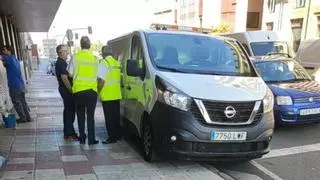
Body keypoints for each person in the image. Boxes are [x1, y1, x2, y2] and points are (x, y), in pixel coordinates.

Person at [68, 36, 99, 145]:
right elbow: (99, 75)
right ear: (89, 45)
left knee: (80, 115)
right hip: (92, 91)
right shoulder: (95, 59)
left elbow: (70, 74)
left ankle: (82, 138)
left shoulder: (75, 57)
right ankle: (91, 139)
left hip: (79, 91)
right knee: (91, 116)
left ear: (81, 45)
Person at [97, 46, 122, 144]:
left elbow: (102, 81)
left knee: (109, 118)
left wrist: (98, 90)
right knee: (116, 117)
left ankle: (112, 138)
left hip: (107, 95)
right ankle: (118, 135)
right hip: (116, 94)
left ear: (103, 53)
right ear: (111, 53)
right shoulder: (116, 63)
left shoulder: (104, 63)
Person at [1, 45, 31, 123]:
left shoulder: (8, 58)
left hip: (14, 85)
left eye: (4, 50)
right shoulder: (15, 58)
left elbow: (2, 59)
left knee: (16, 102)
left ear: (8, 51)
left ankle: (22, 118)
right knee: (22, 101)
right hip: (21, 84)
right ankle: (28, 117)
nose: (3, 51)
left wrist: (2, 58)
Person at [55, 44, 78, 140]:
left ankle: (68, 131)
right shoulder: (61, 63)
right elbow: (64, 78)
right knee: (70, 111)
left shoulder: (62, 62)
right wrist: (71, 90)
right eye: (65, 51)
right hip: (66, 90)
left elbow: (69, 75)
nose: (67, 52)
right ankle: (69, 133)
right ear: (60, 53)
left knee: (68, 111)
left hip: (63, 89)